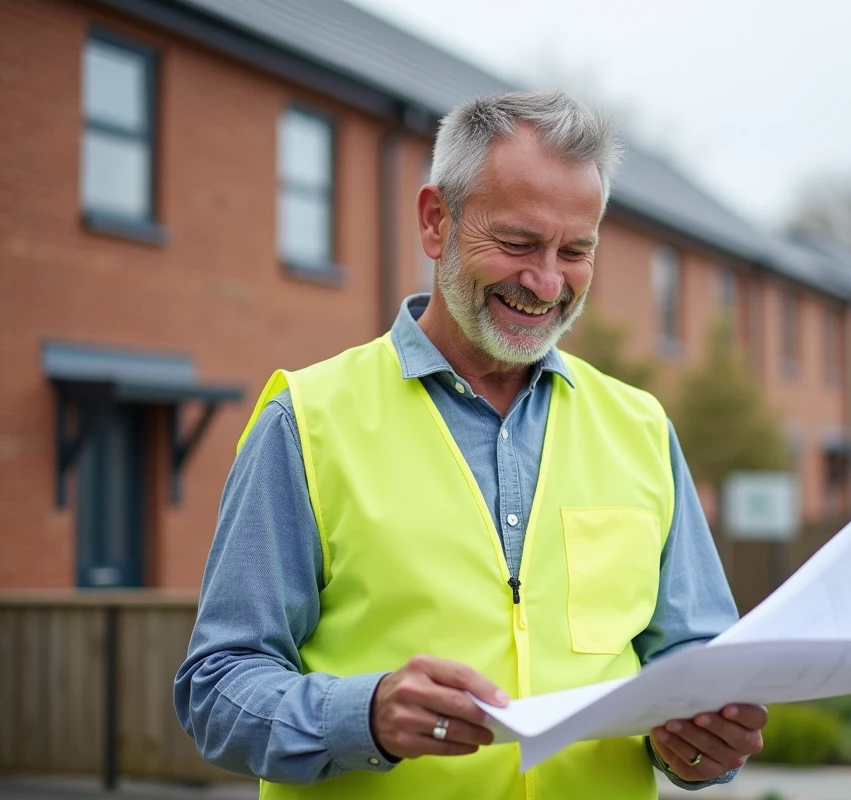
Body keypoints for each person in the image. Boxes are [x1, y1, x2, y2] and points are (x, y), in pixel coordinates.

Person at [175, 91, 766, 799]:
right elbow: (216, 690)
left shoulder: (641, 428)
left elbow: (693, 661)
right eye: (517, 243)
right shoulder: (305, 421)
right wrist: (360, 716)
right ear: (436, 221)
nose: (547, 283)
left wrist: (705, 747)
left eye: (575, 252)